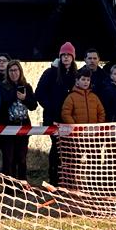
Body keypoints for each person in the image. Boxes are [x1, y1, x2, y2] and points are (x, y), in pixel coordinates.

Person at [34, 42, 78, 184]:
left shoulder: (76, 75)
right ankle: (54, 180)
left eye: (68, 55)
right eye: (63, 55)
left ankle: (69, 180)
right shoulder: (50, 73)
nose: (66, 58)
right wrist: (51, 108)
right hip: (54, 118)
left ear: (73, 57)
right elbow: (39, 93)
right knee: (57, 149)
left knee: (71, 150)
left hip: (71, 119)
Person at [0, 61, 36, 179]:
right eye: (11, 70)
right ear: (7, 72)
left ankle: (22, 185)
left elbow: (33, 105)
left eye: (16, 70)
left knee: (22, 158)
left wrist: (25, 98)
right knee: (8, 159)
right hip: (7, 127)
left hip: (23, 126)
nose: (14, 73)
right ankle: (9, 187)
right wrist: (14, 93)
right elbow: (1, 105)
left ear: (20, 71)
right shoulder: (2, 86)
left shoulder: (26, 86)